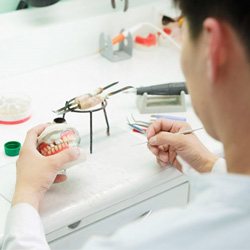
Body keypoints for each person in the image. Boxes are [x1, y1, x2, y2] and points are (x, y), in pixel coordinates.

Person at [2, 0, 250, 249]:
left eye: (182, 25)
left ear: (214, 48)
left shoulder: (158, 241)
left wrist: (25, 193)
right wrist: (209, 165)